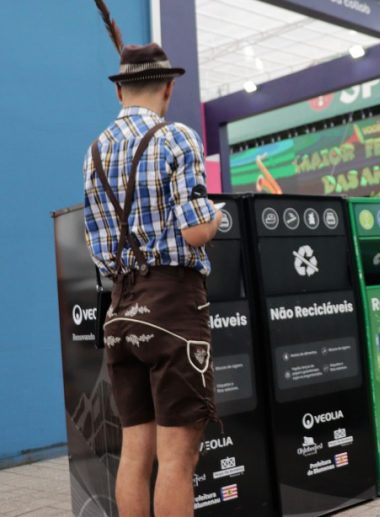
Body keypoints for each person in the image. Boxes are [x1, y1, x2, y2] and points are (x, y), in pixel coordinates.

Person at [85, 6, 222, 515]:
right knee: (177, 461)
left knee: (134, 457)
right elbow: (194, 231)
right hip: (173, 312)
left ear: (119, 92)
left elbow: (96, 242)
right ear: (168, 89)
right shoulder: (177, 137)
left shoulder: (94, 152)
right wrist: (219, 219)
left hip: (120, 313)